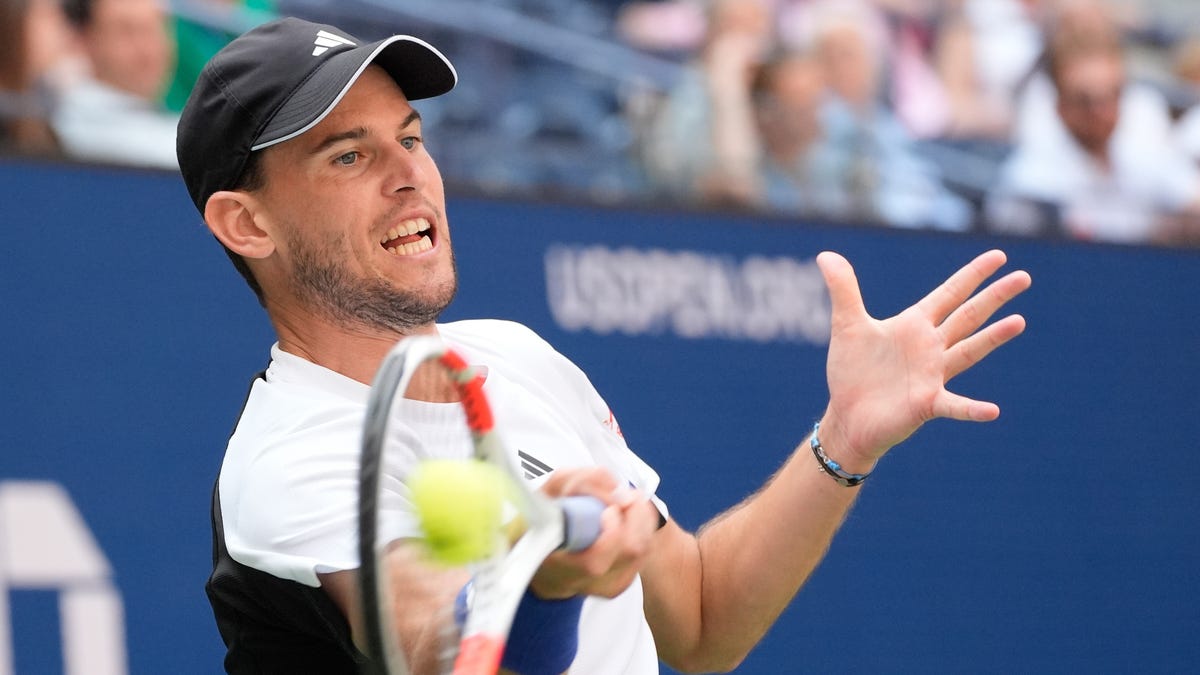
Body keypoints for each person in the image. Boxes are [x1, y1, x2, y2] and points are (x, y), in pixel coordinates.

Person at [177, 16, 1032, 675]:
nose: (409, 174)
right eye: (349, 155)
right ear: (246, 222)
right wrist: (549, 578)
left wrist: (843, 439)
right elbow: (441, 646)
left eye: (409, 137)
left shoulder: (515, 355)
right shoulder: (288, 459)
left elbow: (697, 618)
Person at [54, 0, 179, 168]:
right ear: (83, 40)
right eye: (127, 31)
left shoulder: (166, 123)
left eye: (154, 28)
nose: (147, 49)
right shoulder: (72, 127)